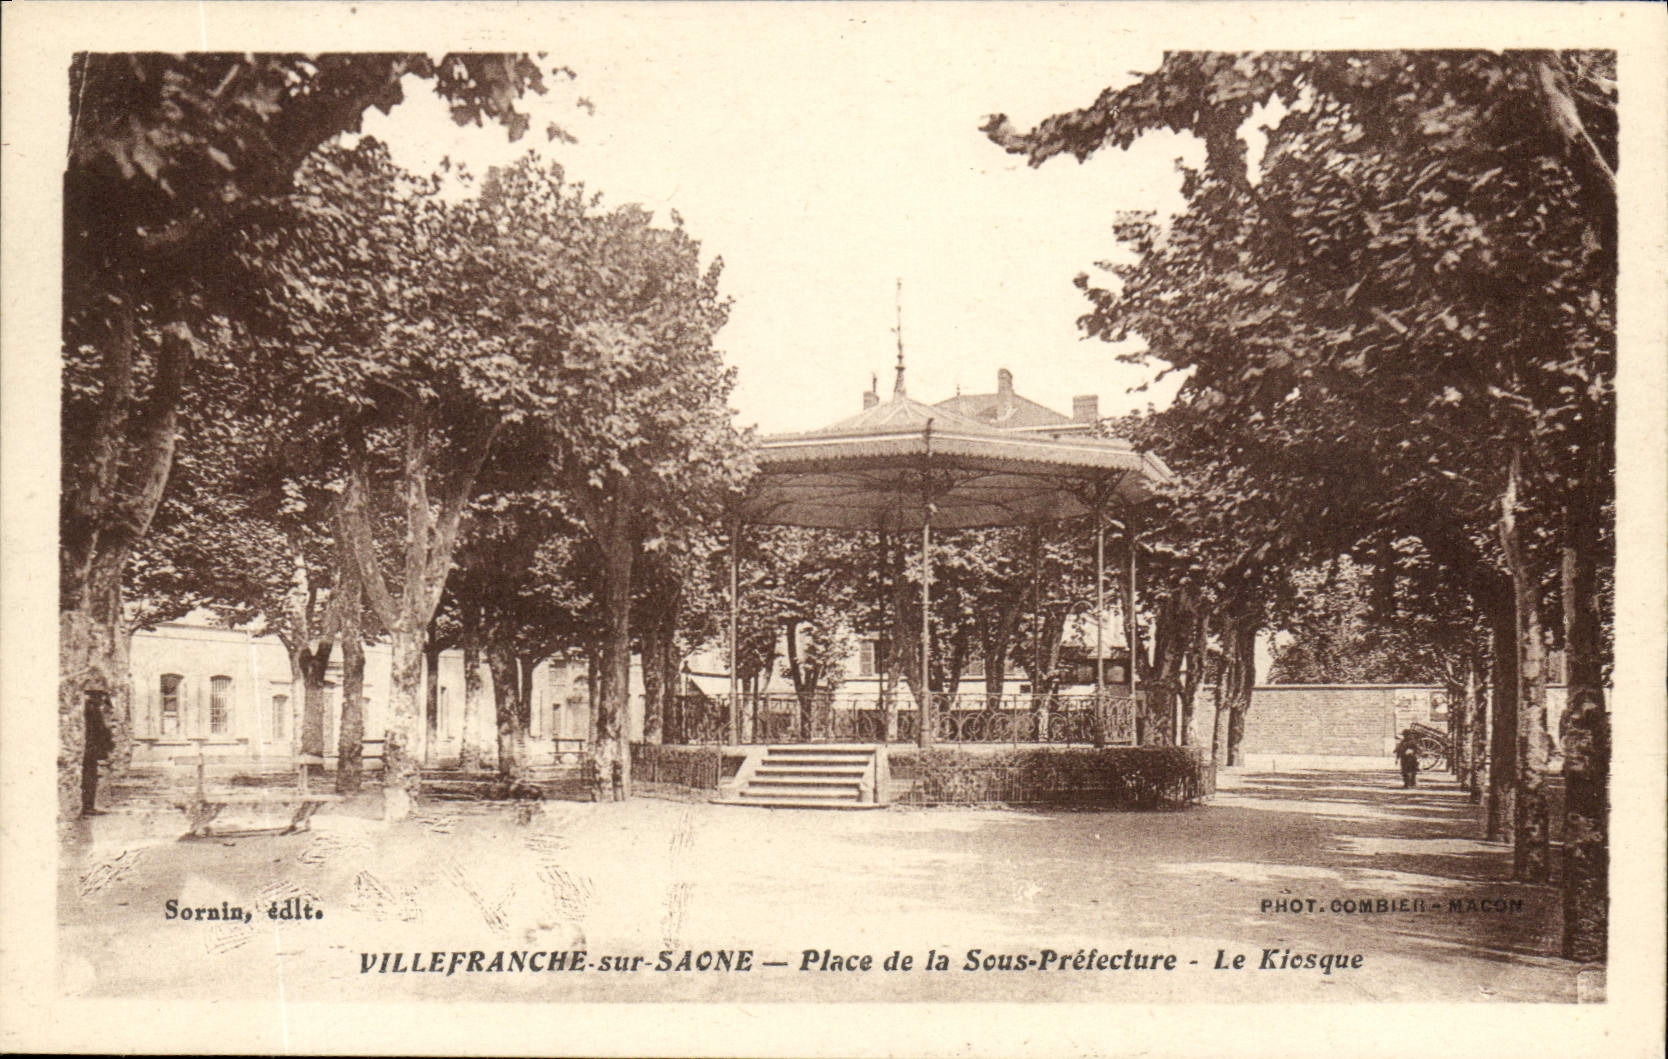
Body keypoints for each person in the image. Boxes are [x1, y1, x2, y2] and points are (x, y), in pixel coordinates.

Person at [82, 692, 115, 815]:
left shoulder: (94, 710)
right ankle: (87, 806)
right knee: (89, 777)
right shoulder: (92, 711)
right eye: (100, 699)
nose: (101, 701)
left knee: (91, 776)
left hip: (92, 749)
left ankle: (88, 805)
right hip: (90, 749)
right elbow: (100, 730)